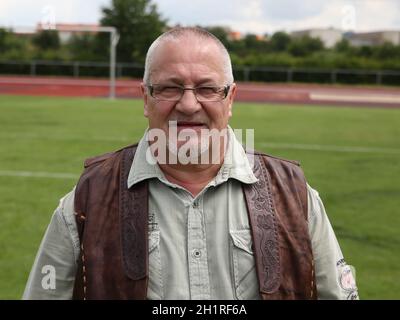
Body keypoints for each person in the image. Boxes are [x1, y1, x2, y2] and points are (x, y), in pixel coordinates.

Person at [23, 27, 358, 300]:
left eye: (207, 88)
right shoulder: (87, 202)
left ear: (230, 99)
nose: (188, 104)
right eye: (169, 88)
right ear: (145, 98)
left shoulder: (295, 196)